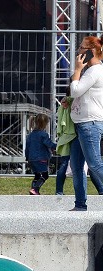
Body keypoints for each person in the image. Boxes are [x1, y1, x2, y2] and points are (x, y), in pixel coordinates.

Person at [69, 35, 103, 211]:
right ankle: (80, 204)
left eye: (81, 48)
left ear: (90, 52)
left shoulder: (94, 71)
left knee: (95, 164)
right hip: (81, 124)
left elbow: (76, 90)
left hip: (89, 124)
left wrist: (76, 69)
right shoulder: (90, 71)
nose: (78, 51)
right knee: (76, 166)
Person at [25, 114, 57, 195]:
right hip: (41, 158)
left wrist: (27, 158)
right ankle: (35, 189)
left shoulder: (30, 135)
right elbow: (49, 144)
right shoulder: (43, 135)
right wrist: (57, 146)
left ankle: (33, 189)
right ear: (45, 124)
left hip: (31, 159)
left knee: (37, 175)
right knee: (45, 175)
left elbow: (27, 147)